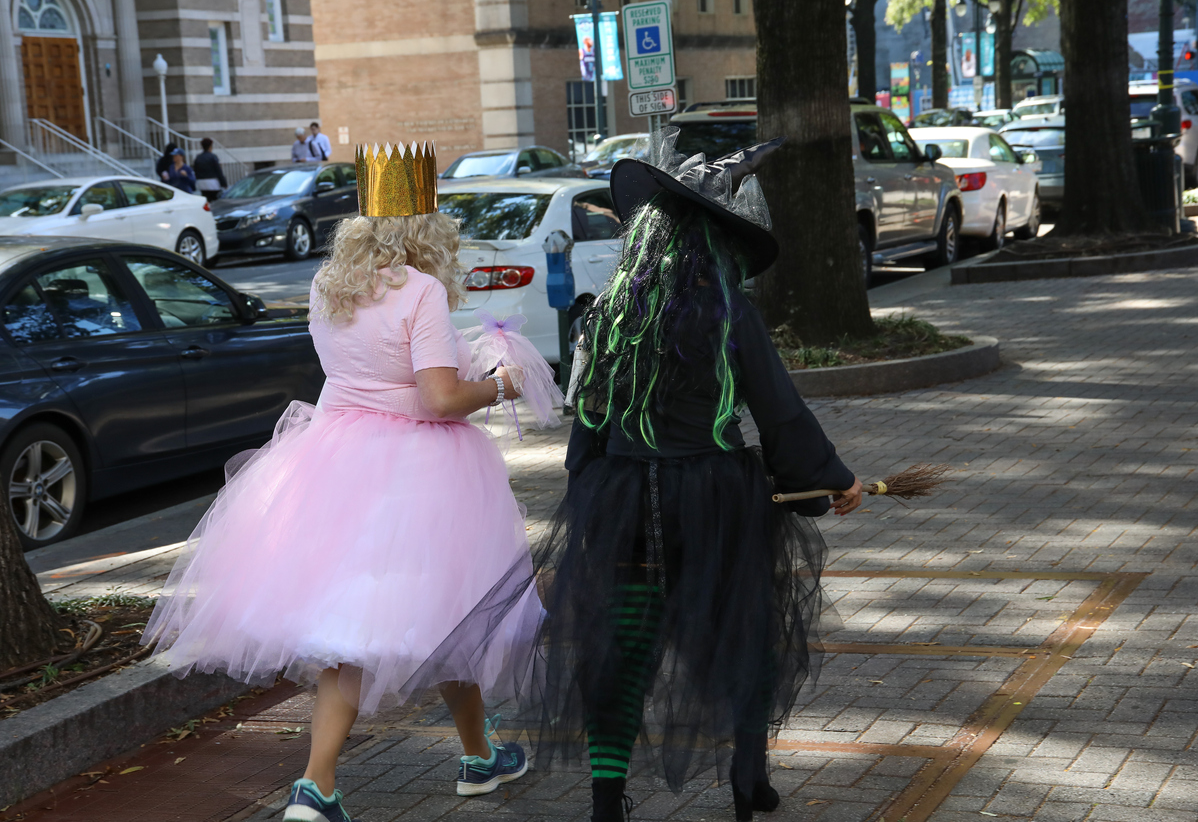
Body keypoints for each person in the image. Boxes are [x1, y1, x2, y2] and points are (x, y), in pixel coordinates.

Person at [439, 127, 864, 822]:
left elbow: (593, 422)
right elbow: (779, 414)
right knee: (742, 633)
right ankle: (746, 784)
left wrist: (587, 502)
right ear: (715, 241)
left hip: (626, 498)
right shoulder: (730, 315)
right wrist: (829, 481)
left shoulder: (608, 316)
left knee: (622, 648)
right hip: (719, 499)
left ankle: (609, 802)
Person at [144, 140, 544, 822]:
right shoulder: (418, 292)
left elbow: (356, 377)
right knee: (415, 617)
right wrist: (501, 383)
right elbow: (439, 400)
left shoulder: (329, 283)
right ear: (427, 227)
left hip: (334, 458)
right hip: (420, 470)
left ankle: (445, 762)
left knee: (395, 620)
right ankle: (347, 780)